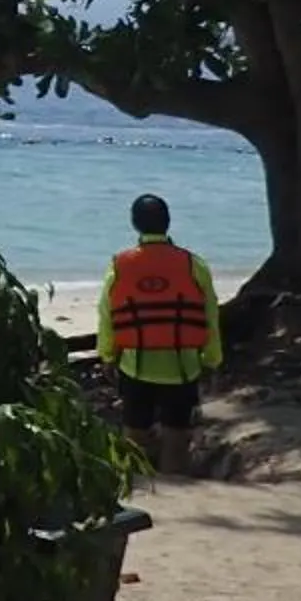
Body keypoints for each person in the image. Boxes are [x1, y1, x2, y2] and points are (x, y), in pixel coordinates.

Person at [97, 194, 223, 477]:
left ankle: (139, 490)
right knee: (176, 439)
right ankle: (174, 489)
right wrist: (212, 360)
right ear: (168, 223)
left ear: (135, 224)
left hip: (135, 364)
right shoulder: (194, 264)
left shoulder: (119, 265)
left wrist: (106, 355)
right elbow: (210, 316)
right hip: (183, 367)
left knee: (135, 435)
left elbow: (106, 313)